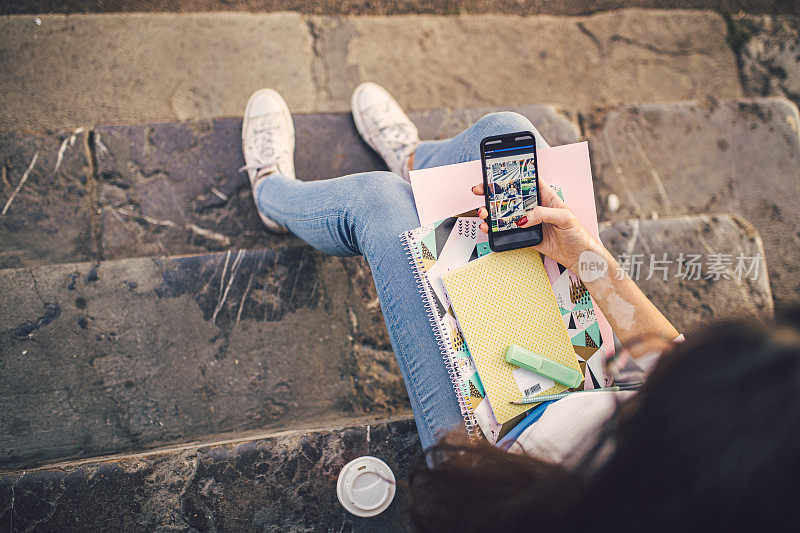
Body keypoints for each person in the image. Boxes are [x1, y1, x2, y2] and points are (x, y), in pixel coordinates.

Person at [240, 84, 798, 529]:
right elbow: (661, 358)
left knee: (378, 204)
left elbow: (475, 504)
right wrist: (585, 256)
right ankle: (415, 161)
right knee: (510, 136)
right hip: (580, 375)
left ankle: (271, 194)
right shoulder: (741, 410)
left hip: (494, 453)